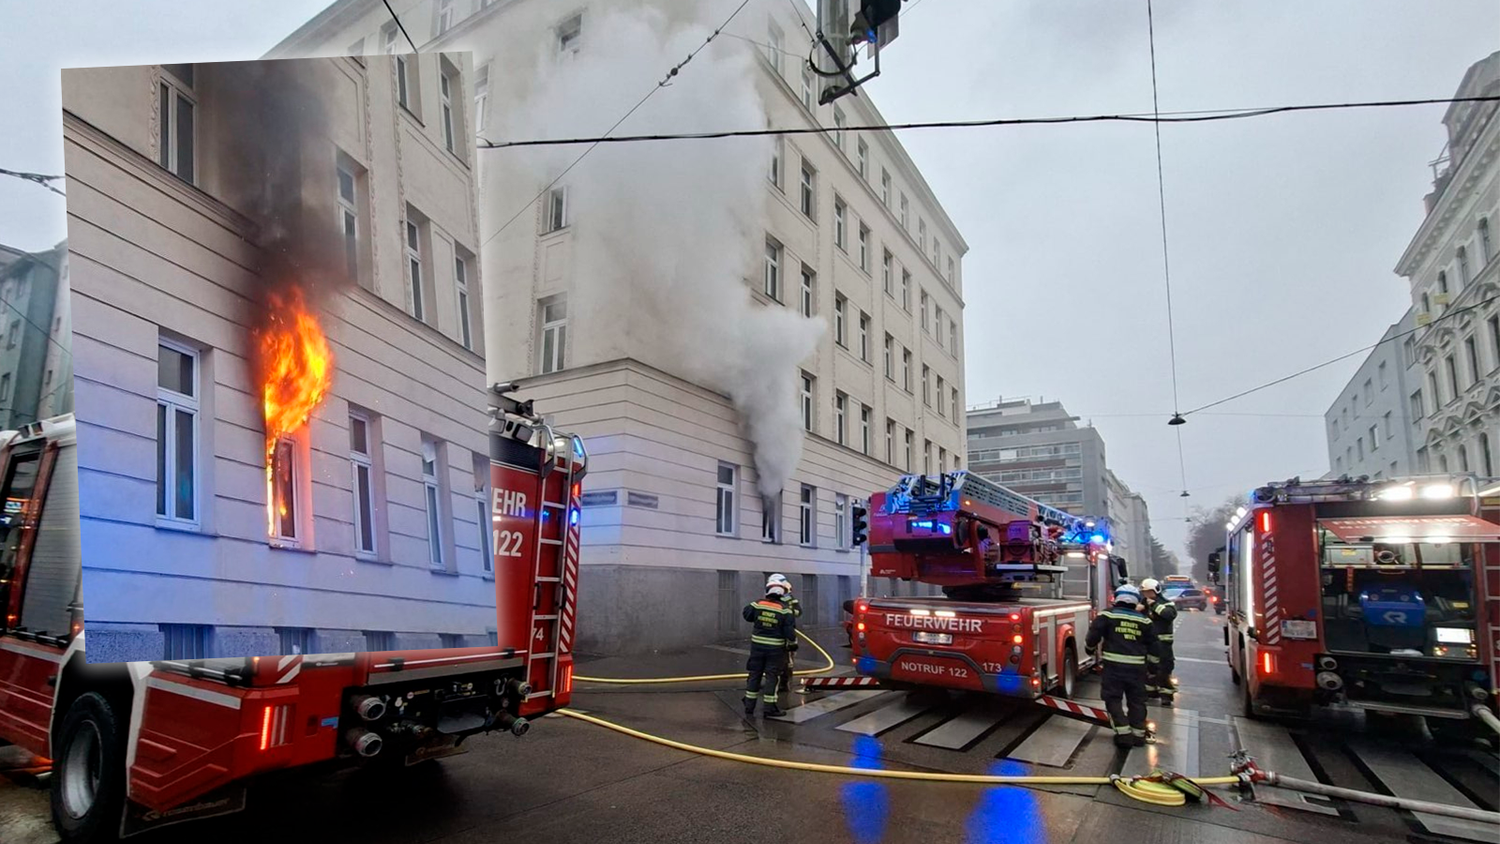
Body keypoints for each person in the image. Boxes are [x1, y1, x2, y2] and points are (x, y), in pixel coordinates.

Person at [1085, 583, 1159, 748]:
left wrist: (1089, 650)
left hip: (1113, 668)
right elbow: (1154, 647)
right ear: (1135, 601)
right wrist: (1153, 668)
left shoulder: (1107, 616)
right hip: (1137, 670)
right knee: (1137, 701)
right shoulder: (1145, 621)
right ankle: (1138, 736)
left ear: (1117, 598)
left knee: (1112, 699)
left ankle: (1123, 734)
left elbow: (1093, 635)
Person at [743, 577, 797, 717]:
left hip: (757, 647)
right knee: (772, 677)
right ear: (781, 595)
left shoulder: (757, 604)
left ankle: (749, 706)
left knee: (755, 674)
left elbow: (747, 615)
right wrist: (793, 645)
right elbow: (789, 632)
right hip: (775, 650)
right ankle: (769, 708)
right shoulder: (785, 610)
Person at [1140, 578, 1179, 706]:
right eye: (1144, 592)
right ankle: (1150, 691)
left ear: (1156, 591)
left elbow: (1169, 615)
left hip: (1163, 644)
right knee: (1149, 668)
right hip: (1148, 643)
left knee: (1164, 669)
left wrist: (1154, 605)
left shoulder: (1167, 604)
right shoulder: (1143, 603)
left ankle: (1166, 695)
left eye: (1149, 592)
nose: (1146, 595)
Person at [766, 574, 801, 696]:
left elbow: (798, 612)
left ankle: (784, 684)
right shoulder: (770, 598)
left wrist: (786, 614)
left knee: (786, 661)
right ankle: (775, 683)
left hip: (785, 633)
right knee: (776, 661)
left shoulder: (789, 599)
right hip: (775, 633)